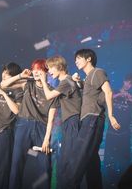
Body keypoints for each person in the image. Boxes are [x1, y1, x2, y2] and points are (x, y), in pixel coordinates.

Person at [64, 48, 120, 189]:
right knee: (91, 161)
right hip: (88, 119)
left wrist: (111, 115)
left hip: (92, 118)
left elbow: (108, 92)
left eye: (79, 58)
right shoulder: (88, 77)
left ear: (88, 59)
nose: (76, 61)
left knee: (79, 156)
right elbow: (91, 93)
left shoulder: (97, 72)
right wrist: (79, 83)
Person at [1, 59, 58, 189]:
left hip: (42, 128)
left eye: (40, 69)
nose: (36, 72)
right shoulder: (27, 83)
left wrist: (47, 139)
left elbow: (51, 119)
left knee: (45, 166)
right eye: (34, 69)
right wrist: (20, 75)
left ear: (46, 71)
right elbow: (3, 85)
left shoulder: (52, 92)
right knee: (16, 163)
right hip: (24, 125)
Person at [38, 55, 82, 188]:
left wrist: (44, 81)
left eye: (51, 68)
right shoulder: (65, 82)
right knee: (66, 160)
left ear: (60, 67)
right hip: (69, 121)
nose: (49, 71)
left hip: (73, 120)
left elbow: (48, 96)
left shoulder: (66, 81)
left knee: (69, 159)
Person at [104, 74, 132, 188]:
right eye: (127, 82)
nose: (128, 85)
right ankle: (108, 182)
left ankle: (122, 182)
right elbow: (106, 104)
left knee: (124, 159)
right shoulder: (114, 91)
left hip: (124, 133)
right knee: (109, 157)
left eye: (130, 84)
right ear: (124, 81)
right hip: (112, 131)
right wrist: (119, 95)